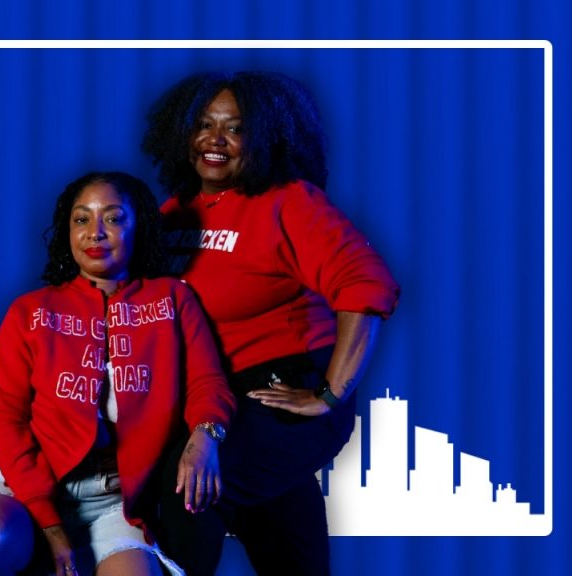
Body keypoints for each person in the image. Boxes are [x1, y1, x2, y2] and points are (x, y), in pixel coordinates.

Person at [142, 71, 401, 575]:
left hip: (277, 391)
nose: (214, 140)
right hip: (210, 399)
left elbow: (367, 283)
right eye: (203, 125)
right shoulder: (174, 214)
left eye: (235, 129)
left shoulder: (288, 201)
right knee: (280, 523)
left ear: (265, 139)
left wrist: (329, 392)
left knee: (189, 488)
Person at [0, 171, 236, 576]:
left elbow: (207, 383)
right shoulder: (31, 311)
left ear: (138, 226)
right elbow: (2, 419)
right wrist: (50, 523)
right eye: (81, 219)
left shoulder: (173, 300)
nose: (96, 232)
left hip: (116, 499)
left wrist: (206, 433)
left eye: (113, 218)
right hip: (30, 486)